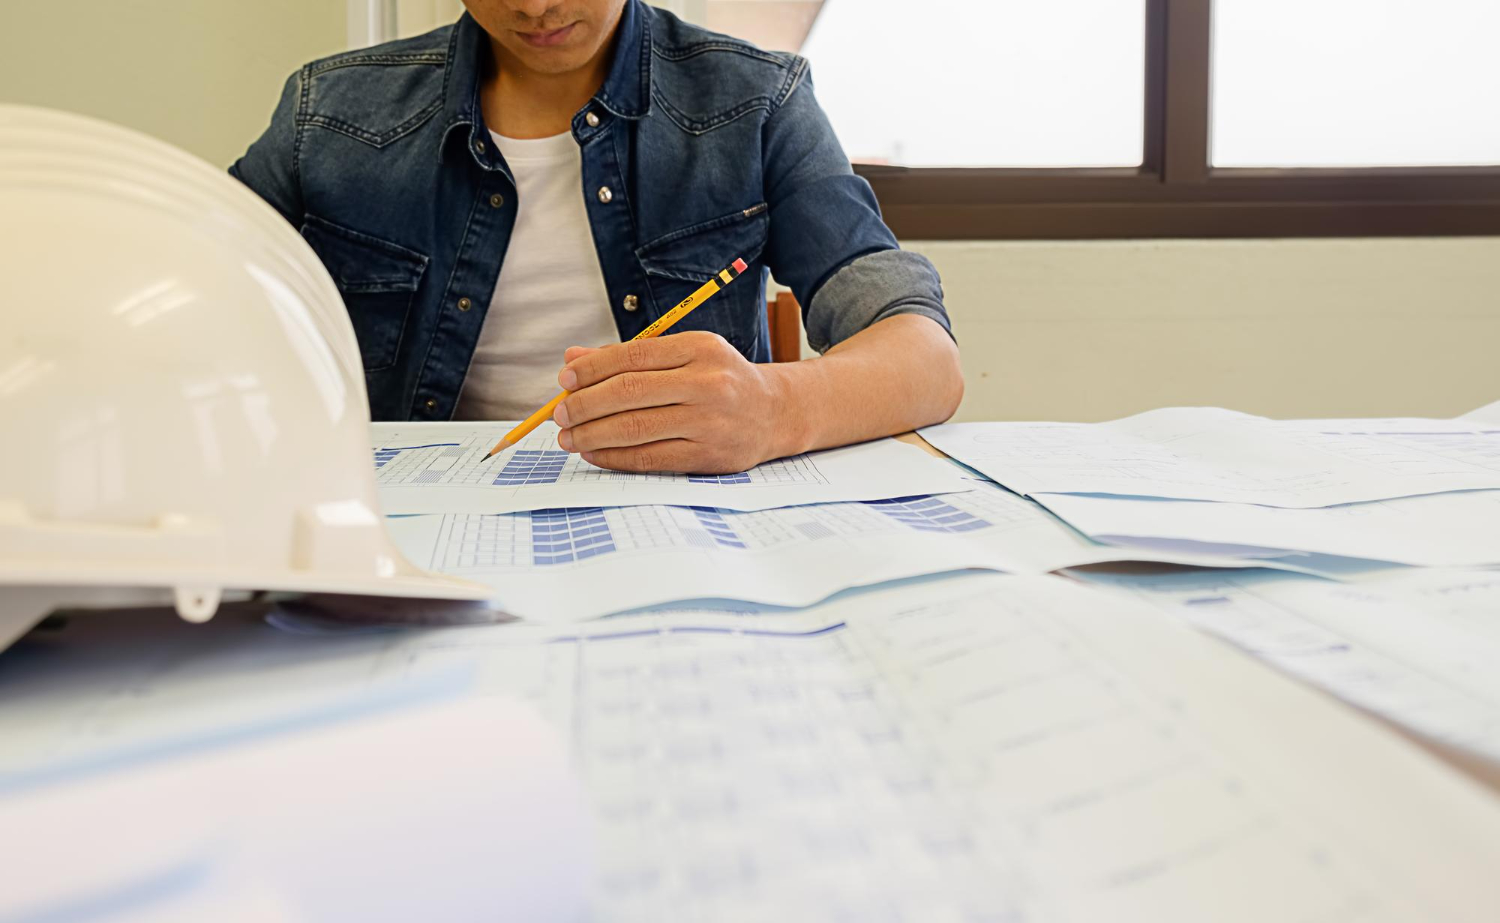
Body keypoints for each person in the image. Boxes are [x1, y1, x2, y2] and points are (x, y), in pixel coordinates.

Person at [231, 0, 963, 473]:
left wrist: (772, 408)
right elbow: (184, 286)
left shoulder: (754, 101)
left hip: (681, 530)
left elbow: (924, 358)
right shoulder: (327, 115)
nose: (534, 5)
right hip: (402, 534)